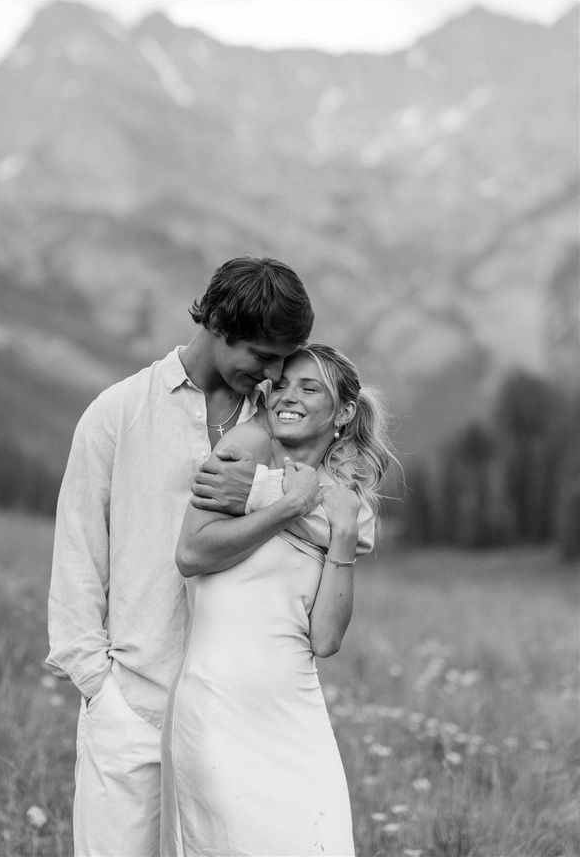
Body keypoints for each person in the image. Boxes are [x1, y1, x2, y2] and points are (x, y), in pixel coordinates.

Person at [46, 256, 315, 857]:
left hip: (236, 719)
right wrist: (100, 690)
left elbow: (343, 515)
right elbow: (77, 560)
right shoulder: (118, 412)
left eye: (283, 358)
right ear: (219, 324)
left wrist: (272, 492)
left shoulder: (283, 426)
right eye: (263, 356)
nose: (274, 373)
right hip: (134, 709)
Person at [161, 344, 394, 857]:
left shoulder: (343, 506)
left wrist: (337, 534)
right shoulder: (242, 453)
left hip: (297, 717)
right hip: (218, 712)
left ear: (344, 412)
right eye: (282, 385)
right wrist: (286, 503)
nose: (288, 397)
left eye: (309, 388)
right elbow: (191, 553)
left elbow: (326, 639)